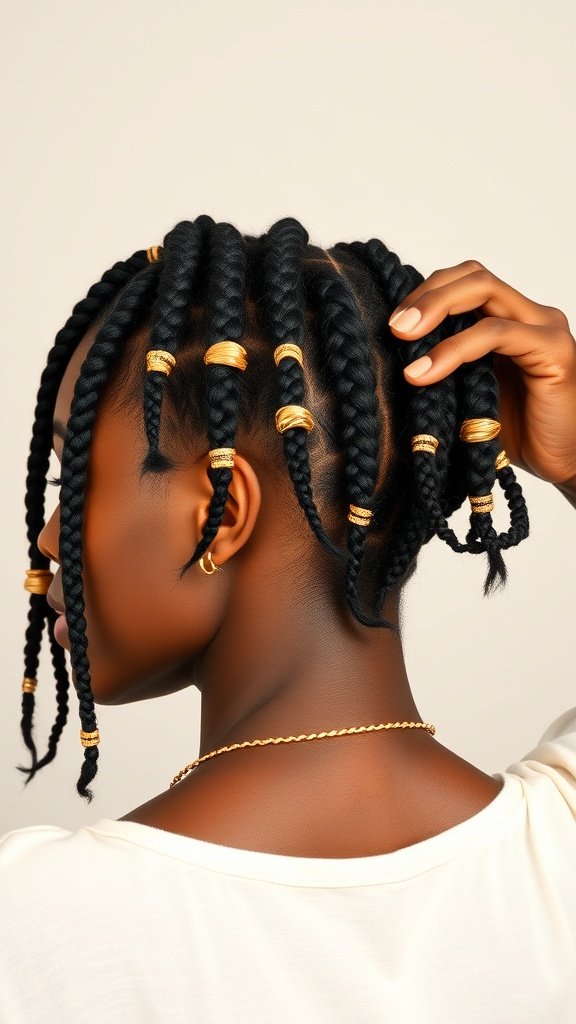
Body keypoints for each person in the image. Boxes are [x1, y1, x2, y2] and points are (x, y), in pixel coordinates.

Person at [2, 215, 576, 1022]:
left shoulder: (35, 932)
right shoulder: (558, 863)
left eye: (75, 480)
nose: (48, 535)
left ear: (223, 512)